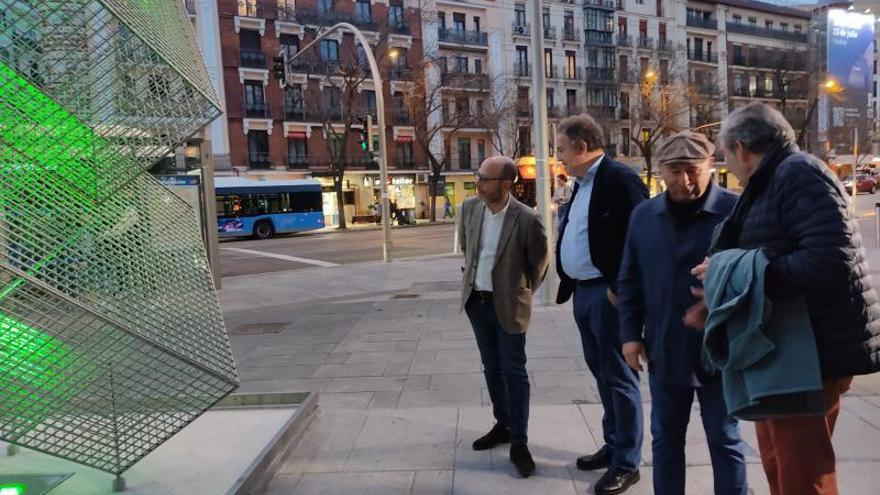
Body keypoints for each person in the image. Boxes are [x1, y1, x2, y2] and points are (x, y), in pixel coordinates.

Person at [688, 102, 880, 495]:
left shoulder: (798, 173)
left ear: (741, 148)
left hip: (807, 355)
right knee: (780, 464)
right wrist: (724, 278)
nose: (729, 165)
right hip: (782, 352)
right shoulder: (774, 179)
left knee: (802, 473)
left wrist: (739, 272)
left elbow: (829, 260)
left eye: (726, 155)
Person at [617, 131, 747, 495]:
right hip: (664, 344)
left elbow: (760, 276)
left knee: (724, 438)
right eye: (674, 171)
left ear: (711, 166)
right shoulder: (644, 216)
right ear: (661, 170)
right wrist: (629, 336)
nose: (684, 180)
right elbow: (629, 280)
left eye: (693, 170)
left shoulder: (736, 210)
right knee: (665, 440)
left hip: (722, 348)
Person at [555, 114, 648, 495]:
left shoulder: (619, 179)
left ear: (580, 147)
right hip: (582, 291)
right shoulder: (581, 183)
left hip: (608, 295)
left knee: (620, 378)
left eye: (561, 149)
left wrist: (619, 288)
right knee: (602, 375)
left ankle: (627, 462)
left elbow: (640, 236)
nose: (558, 157)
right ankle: (613, 444)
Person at [459, 156, 549, 478]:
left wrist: (518, 292)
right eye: (478, 177)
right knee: (491, 366)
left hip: (509, 306)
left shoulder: (526, 219)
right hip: (477, 303)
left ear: (506, 183)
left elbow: (539, 264)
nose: (478, 183)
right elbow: (467, 249)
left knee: (514, 370)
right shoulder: (469, 209)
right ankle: (503, 424)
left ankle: (519, 441)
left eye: (485, 178)